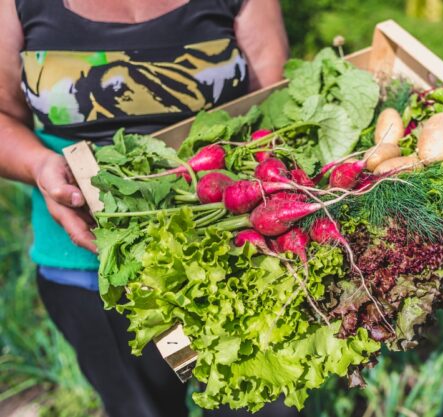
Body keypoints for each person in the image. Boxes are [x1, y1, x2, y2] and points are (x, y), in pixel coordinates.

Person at [0, 1, 296, 416]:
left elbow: (274, 106)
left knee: (259, 408)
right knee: (140, 408)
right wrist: (38, 165)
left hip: (235, 255)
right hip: (96, 268)